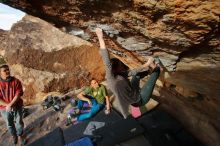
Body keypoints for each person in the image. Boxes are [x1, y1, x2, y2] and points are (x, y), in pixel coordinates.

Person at [95, 28, 161, 118]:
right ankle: (156, 68)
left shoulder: (119, 74)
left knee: (136, 75)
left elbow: (132, 72)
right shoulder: (111, 78)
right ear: (116, 68)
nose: (123, 67)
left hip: (131, 94)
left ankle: (150, 70)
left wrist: (146, 65)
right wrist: (100, 37)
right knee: (156, 73)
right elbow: (106, 60)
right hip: (139, 100)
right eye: (121, 66)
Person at [0, 64, 26, 145]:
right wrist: (7, 105)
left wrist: (10, 104)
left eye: (8, 69)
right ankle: (14, 135)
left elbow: (18, 94)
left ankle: (20, 135)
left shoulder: (16, 81)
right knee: (9, 124)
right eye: (5, 70)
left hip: (17, 105)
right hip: (4, 109)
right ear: (0, 73)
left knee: (19, 122)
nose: (7, 71)